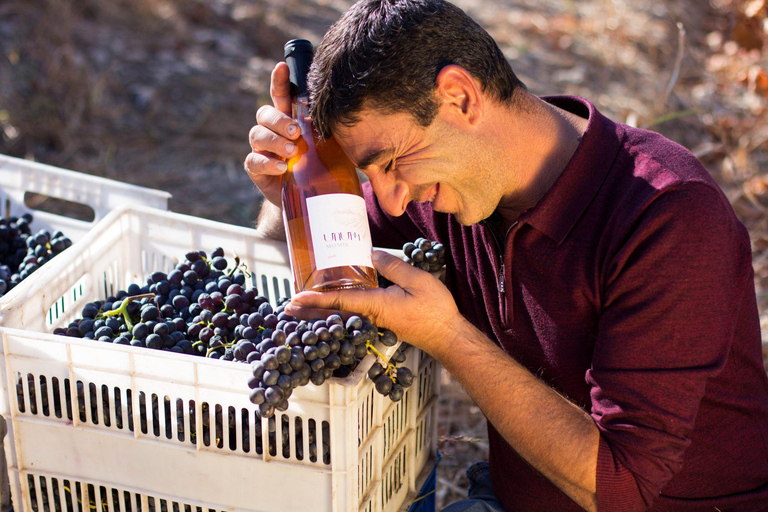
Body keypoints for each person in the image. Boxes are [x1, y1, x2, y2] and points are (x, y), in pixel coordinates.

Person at [243, 0, 768, 510]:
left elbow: (621, 487)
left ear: (461, 97)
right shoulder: (444, 183)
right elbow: (298, 269)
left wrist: (446, 335)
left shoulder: (666, 216)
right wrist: (287, 196)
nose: (391, 199)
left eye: (389, 163)